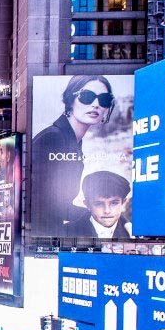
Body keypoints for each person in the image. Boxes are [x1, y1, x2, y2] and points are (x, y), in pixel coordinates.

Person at [31, 74, 116, 235]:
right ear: (70, 100)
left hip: (51, 231)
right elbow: (40, 201)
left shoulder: (74, 141)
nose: (96, 104)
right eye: (87, 97)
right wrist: (90, 215)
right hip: (42, 234)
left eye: (104, 99)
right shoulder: (53, 138)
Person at [68, 170, 132, 240]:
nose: (107, 211)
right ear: (87, 205)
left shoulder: (131, 232)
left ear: (123, 202)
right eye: (99, 204)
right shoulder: (66, 231)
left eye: (114, 203)